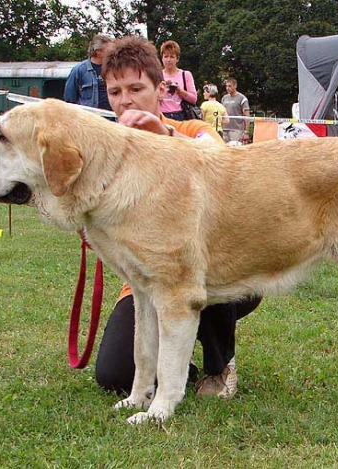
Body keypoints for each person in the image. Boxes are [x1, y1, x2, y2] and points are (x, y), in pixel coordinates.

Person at [96, 35, 262, 398]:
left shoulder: (188, 129)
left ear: (160, 90)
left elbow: (220, 158)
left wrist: (164, 135)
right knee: (113, 374)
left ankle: (221, 366)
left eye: (136, 88)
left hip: (219, 266)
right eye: (115, 91)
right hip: (143, 281)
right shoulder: (108, 150)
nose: (125, 100)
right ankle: (176, 364)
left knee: (204, 272)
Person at [64, 34, 115, 111]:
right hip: (88, 119)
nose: (113, 53)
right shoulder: (79, 70)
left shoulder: (113, 68)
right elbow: (69, 99)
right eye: (110, 50)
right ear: (98, 51)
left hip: (111, 119)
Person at [159, 40, 198, 121]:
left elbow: (194, 99)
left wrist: (180, 91)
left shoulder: (185, 74)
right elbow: (152, 97)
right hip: (162, 114)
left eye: (172, 57)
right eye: (166, 56)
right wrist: (162, 86)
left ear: (177, 59)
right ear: (162, 58)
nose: (168, 60)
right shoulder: (158, 75)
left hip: (180, 114)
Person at [221, 77, 250, 144]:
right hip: (224, 129)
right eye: (226, 86)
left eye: (229, 86)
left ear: (235, 86)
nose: (227, 88)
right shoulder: (224, 98)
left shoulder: (242, 98)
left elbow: (247, 116)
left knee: (235, 151)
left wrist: (246, 132)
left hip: (236, 130)